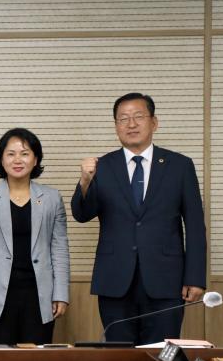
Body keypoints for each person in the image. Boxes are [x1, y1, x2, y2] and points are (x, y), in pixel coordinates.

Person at [71, 93, 206, 345]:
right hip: (115, 280)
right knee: (119, 355)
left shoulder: (180, 166)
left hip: (166, 280)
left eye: (138, 117)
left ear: (154, 122)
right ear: (116, 126)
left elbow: (195, 225)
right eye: (123, 118)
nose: (131, 124)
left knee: (161, 354)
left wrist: (195, 277)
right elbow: (82, 214)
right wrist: (85, 182)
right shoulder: (102, 166)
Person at [0, 128, 69, 345]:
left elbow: (59, 248)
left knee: (36, 359)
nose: (17, 160)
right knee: (1, 359)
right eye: (10, 154)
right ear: (1, 160)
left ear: (35, 159)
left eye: (24, 153)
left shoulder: (51, 198)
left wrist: (61, 293)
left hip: (39, 294)